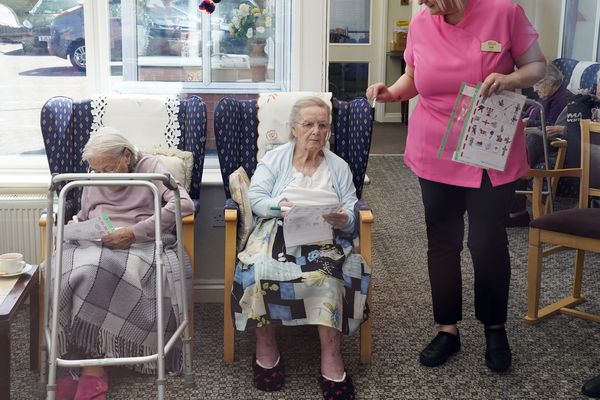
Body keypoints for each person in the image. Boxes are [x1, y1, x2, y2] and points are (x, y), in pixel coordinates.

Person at [366, 0, 545, 373]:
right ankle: (447, 329)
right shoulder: (421, 23)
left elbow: (537, 66)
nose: (424, 3)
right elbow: (414, 78)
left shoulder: (504, 12)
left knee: (486, 241)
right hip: (435, 148)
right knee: (442, 241)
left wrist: (512, 79)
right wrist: (392, 93)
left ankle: (495, 327)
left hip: (488, 147)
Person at [231, 96, 370, 399]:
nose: (316, 132)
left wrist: (343, 216)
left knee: (330, 277)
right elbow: (255, 197)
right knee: (259, 270)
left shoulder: (339, 167)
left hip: (324, 235)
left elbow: (351, 209)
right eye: (308, 124)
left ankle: (331, 355)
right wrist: (277, 207)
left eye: (322, 125)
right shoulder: (275, 159)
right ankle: (265, 344)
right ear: (294, 128)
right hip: (277, 229)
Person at [53, 128, 194, 400]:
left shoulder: (151, 167)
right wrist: (76, 226)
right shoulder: (94, 176)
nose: (101, 177)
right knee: (63, 268)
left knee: (95, 269)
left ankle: (91, 369)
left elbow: (183, 204)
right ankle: (76, 355)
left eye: (106, 169)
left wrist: (134, 231)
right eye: (96, 170)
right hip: (95, 240)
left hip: (137, 242)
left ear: (126, 155)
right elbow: (84, 213)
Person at [508, 63, 574, 226]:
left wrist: (529, 122)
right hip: (538, 141)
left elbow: (549, 125)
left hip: (551, 144)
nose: (535, 89)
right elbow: (536, 117)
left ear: (551, 82)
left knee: (527, 145)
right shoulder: (548, 96)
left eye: (538, 84)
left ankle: (514, 209)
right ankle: (513, 208)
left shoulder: (563, 98)